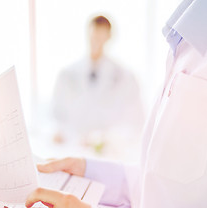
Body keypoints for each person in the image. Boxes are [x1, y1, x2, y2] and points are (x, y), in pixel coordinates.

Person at [7, 0, 207, 208]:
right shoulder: (184, 42)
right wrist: (90, 170)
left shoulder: (127, 77)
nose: (96, 41)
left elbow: (134, 124)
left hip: (111, 150)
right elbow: (163, 186)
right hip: (78, 156)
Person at [52, 15, 144, 147]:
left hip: (109, 152)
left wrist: (106, 139)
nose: (97, 41)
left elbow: (136, 122)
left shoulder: (125, 77)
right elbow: (55, 117)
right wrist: (67, 135)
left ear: (109, 37)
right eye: (94, 35)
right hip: (73, 148)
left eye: (101, 36)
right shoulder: (67, 74)